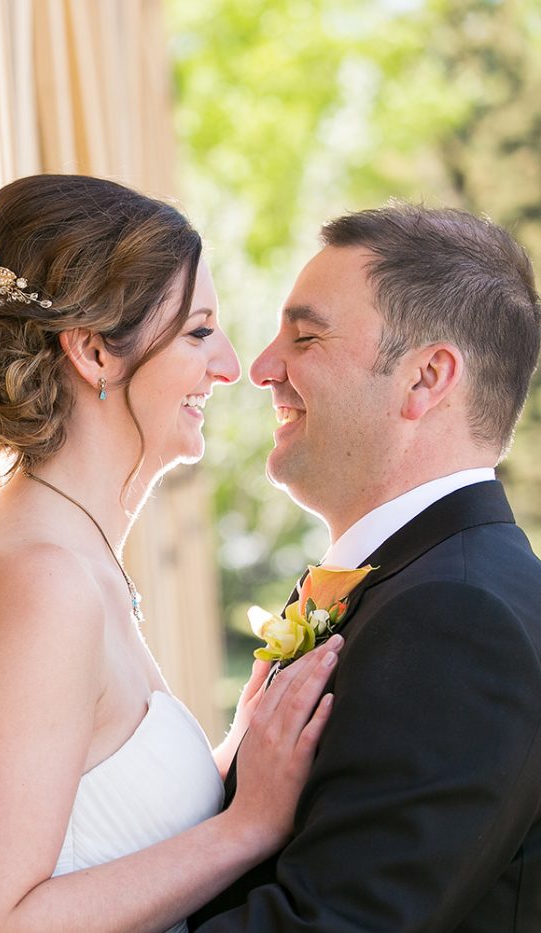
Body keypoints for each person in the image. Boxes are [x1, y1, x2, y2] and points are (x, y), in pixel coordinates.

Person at [0, 174, 340, 933]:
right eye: (199, 331)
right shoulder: (38, 586)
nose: (231, 365)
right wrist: (246, 827)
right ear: (94, 352)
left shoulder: (77, 557)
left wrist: (238, 745)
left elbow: (95, 833)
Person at [191, 205, 541, 931]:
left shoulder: (458, 620)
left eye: (306, 336)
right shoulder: (413, 584)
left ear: (426, 378)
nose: (260, 369)